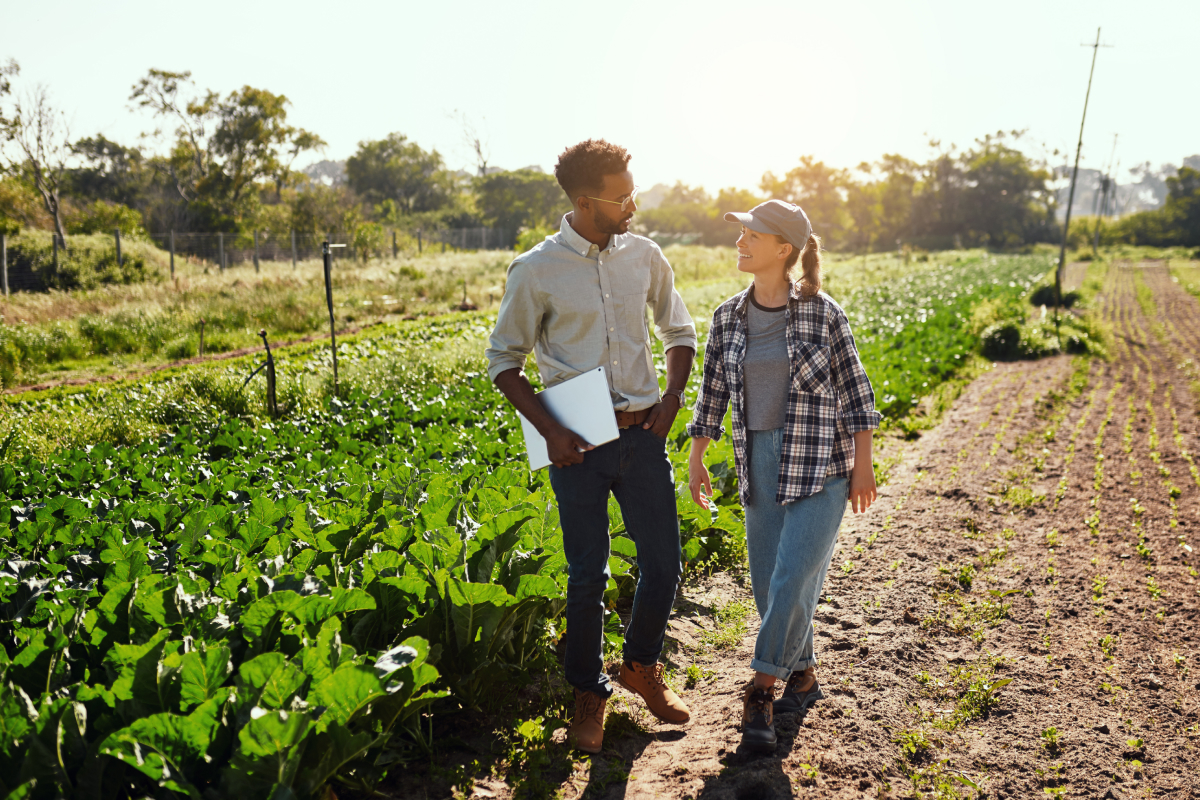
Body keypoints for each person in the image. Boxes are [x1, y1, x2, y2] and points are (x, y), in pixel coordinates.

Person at [486, 139, 697, 754]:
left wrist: (672, 398)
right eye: (622, 195)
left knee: (663, 563)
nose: (634, 203)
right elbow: (504, 361)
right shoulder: (535, 269)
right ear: (585, 201)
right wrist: (551, 430)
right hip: (578, 443)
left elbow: (678, 329)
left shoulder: (645, 256)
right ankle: (588, 693)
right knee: (587, 575)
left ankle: (641, 667)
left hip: (643, 436)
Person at [685, 200, 881, 754]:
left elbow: (857, 392)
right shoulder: (727, 317)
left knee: (793, 577)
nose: (741, 242)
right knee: (768, 586)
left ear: (783, 249)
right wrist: (697, 456)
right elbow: (712, 396)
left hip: (821, 464)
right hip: (759, 460)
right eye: (740, 233)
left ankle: (761, 691)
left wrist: (863, 463)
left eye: (753, 235)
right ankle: (804, 673)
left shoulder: (823, 313)